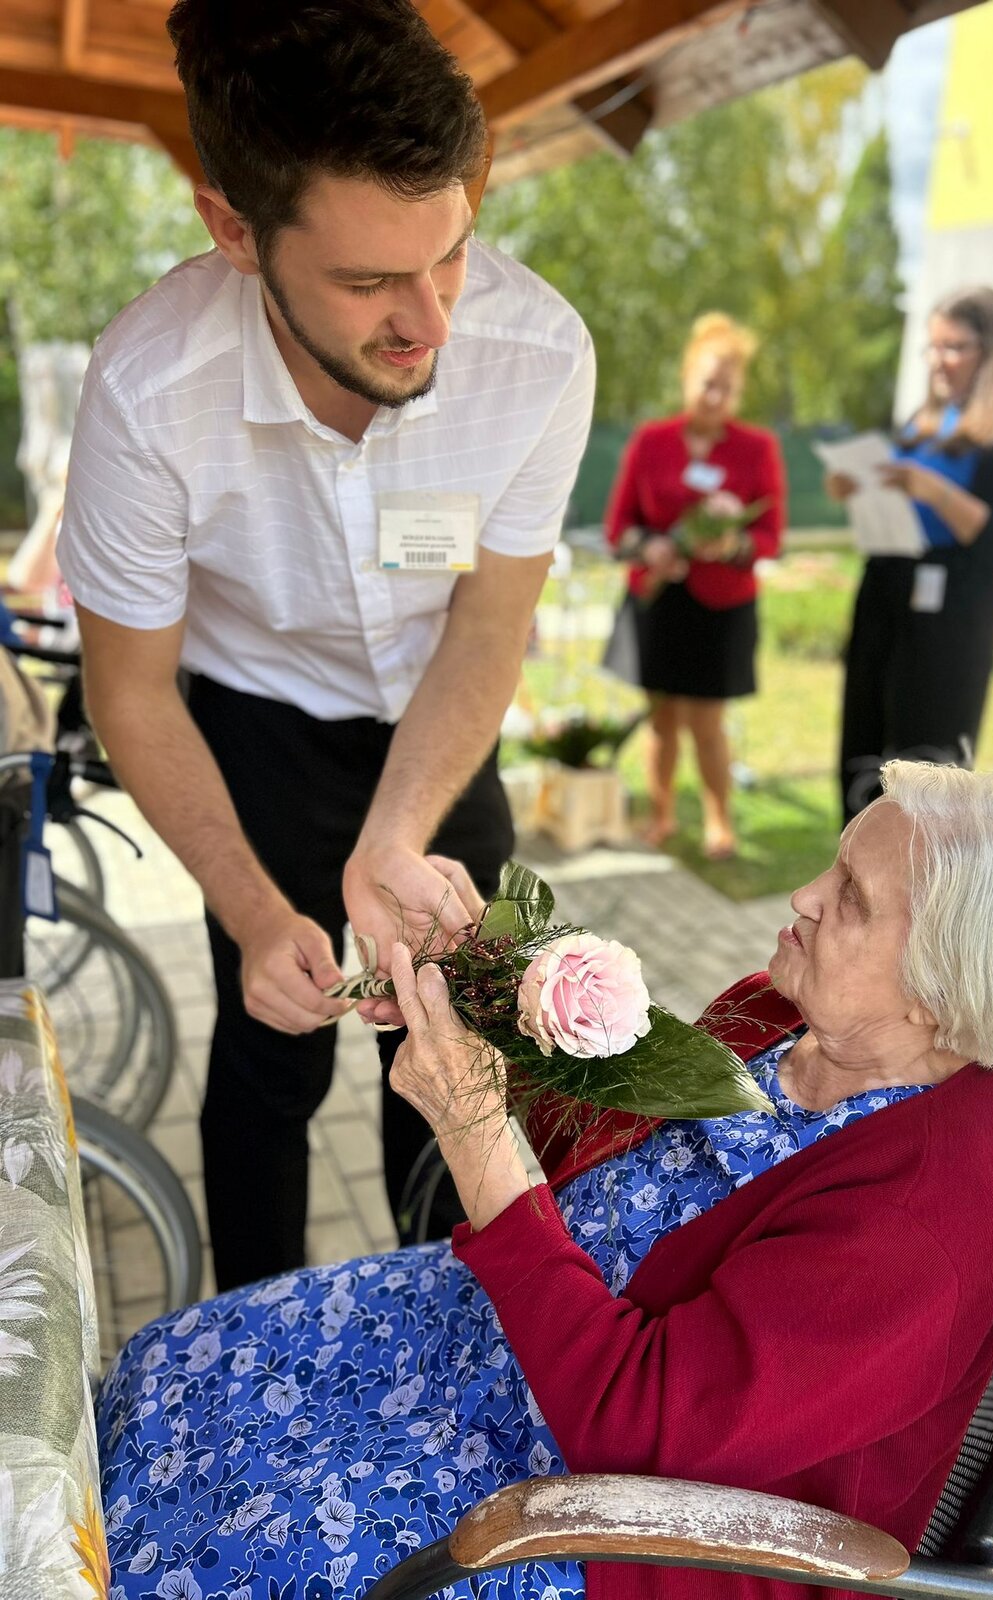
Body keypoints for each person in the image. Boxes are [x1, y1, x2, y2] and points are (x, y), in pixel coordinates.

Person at [96, 761, 993, 1600]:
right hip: (511, 1339)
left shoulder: (930, 1217)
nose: (804, 896)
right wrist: (482, 980)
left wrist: (473, 1133)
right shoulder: (787, 1014)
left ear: (943, 991)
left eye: (850, 898)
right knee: (176, 1362)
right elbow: (600, 1140)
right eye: (834, 864)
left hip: (615, 1521)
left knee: (222, 1544)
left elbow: (637, 1430)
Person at [55, 0, 595, 1291]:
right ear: (234, 230)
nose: (432, 324)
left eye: (450, 255)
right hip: (252, 724)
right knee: (270, 1053)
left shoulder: (540, 355)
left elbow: (490, 627)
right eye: (367, 283)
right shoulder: (146, 388)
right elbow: (131, 690)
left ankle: (459, 1324)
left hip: (440, 722)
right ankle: (255, 1333)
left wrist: (397, 836)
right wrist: (252, 911)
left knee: (462, 1055)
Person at [826, 286, 993, 825]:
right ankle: (856, 857)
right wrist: (855, 487)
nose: (938, 361)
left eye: (954, 347)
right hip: (885, 596)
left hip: (953, 616)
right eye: (933, 347)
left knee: (927, 764)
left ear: (991, 350)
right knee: (862, 746)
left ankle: (921, 872)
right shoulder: (918, 425)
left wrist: (934, 492)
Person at [603, 313, 786, 859]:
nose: (716, 396)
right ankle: (661, 815)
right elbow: (619, 528)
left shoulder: (757, 448)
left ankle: (718, 822)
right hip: (659, 599)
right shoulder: (651, 440)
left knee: (707, 722)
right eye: (709, 383)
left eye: (728, 387)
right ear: (687, 378)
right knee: (661, 720)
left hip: (720, 605)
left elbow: (770, 536)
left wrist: (729, 545)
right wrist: (648, 547)